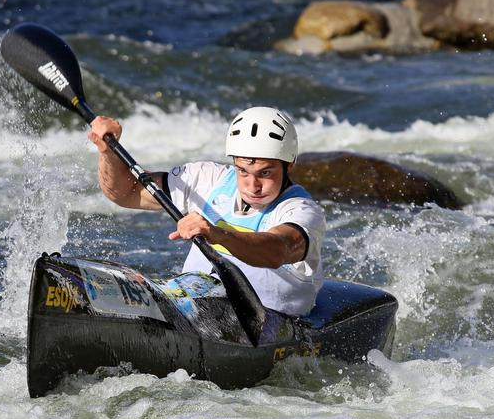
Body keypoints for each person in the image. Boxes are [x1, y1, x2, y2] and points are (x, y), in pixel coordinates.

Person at [88, 107, 325, 316]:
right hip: (193, 306)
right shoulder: (207, 179)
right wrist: (107, 152)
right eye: (242, 171)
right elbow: (125, 193)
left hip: (266, 320)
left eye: (265, 173)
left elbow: (277, 250)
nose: (252, 186)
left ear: (290, 164)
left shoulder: (301, 210)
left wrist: (218, 234)